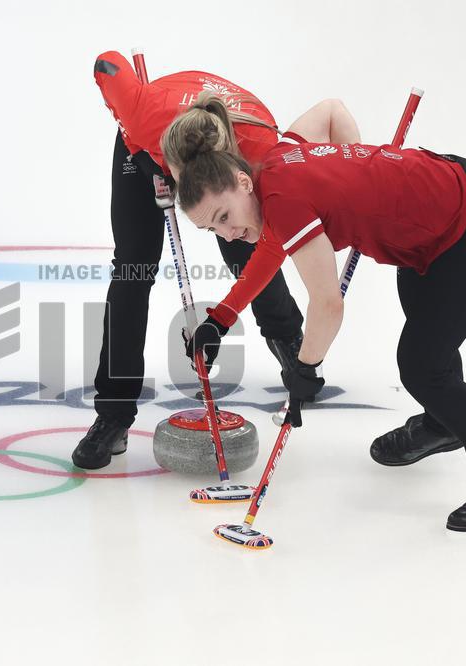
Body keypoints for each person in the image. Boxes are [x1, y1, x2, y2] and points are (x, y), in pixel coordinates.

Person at [163, 93, 466, 532]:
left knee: (422, 365)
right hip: (426, 229)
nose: (227, 232)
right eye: (212, 228)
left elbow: (328, 305)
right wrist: (219, 319)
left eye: (223, 216)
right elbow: (328, 114)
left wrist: (305, 367)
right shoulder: (274, 165)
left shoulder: (285, 202)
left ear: (242, 181)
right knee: (430, 343)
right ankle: (443, 422)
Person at [73, 51, 305, 470]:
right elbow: (107, 64)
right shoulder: (146, 115)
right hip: (147, 145)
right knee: (132, 268)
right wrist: (141, 149)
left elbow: (271, 239)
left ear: (239, 177)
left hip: (226, 140)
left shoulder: (264, 155)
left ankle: (291, 343)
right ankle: (113, 415)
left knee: (244, 240)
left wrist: (222, 317)